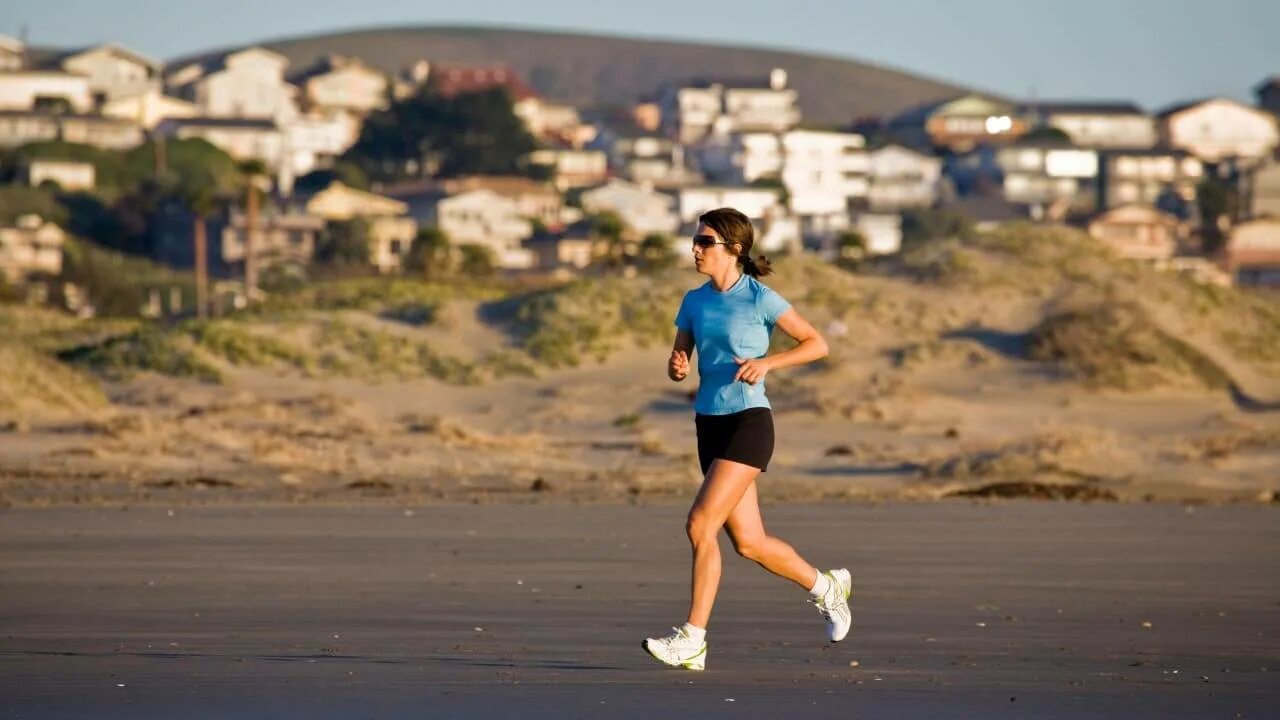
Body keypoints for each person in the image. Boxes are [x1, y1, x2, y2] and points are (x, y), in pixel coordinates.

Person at [642, 207, 851, 672]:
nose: (695, 249)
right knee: (750, 543)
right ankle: (825, 587)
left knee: (700, 525)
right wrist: (677, 365)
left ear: (734, 249)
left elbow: (817, 343)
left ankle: (692, 639)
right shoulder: (693, 302)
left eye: (704, 241)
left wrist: (768, 363)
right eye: (695, 241)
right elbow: (681, 355)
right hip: (708, 423)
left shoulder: (760, 298)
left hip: (749, 422)